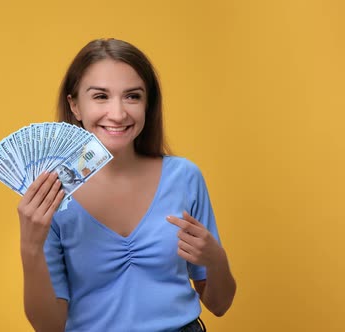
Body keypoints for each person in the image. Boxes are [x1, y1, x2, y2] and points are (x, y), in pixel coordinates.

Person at [17, 38, 236, 332]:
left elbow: (219, 305)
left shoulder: (184, 177)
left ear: (148, 104)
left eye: (132, 96)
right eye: (100, 97)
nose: (118, 114)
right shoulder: (51, 193)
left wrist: (216, 258)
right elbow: (48, 327)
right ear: (75, 105)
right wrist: (30, 247)